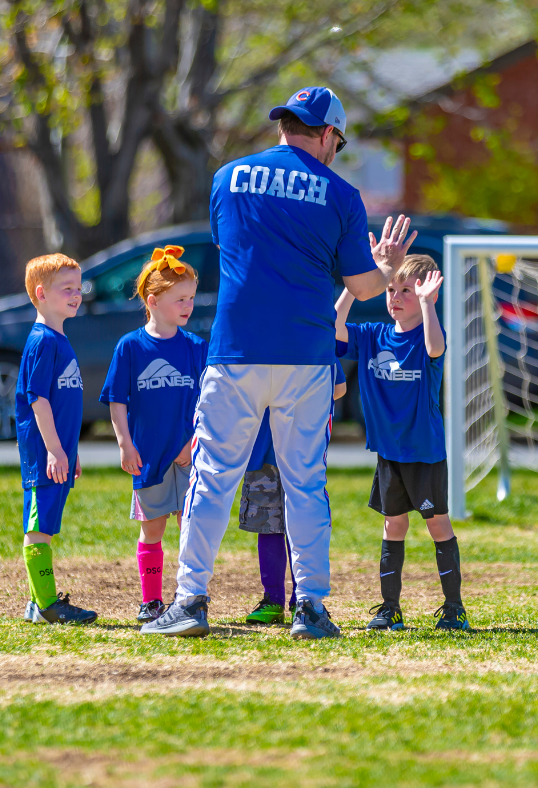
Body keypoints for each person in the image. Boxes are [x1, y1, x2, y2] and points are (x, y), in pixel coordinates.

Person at [141, 86, 415, 639]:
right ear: (329, 135)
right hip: (307, 358)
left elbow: (234, 247)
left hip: (236, 351)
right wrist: (386, 267)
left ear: (285, 124)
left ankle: (191, 601)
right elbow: (363, 288)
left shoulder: (228, 177)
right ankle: (310, 607)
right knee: (305, 482)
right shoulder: (341, 193)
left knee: (213, 477)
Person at [335, 254, 471, 631]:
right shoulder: (373, 335)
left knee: (437, 525)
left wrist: (427, 305)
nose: (394, 297)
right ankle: (389, 608)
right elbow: (332, 326)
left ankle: (454, 608)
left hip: (423, 452)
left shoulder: (426, 337)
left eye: (405, 291)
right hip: (389, 453)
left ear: (426, 294)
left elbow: (435, 348)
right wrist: (357, 286)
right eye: (391, 290)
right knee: (393, 527)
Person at [99, 246, 208, 623]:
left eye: (191, 298)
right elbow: (117, 400)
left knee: (190, 528)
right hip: (148, 456)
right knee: (152, 530)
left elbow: (207, 404)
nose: (188, 305)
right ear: (153, 300)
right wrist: (125, 444)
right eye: (180, 299)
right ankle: (151, 601)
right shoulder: (130, 346)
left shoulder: (195, 347)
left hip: (189, 455)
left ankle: (186, 598)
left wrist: (192, 443)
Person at [17, 254, 98, 625]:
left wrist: (70, 450)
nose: (76, 294)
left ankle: (38, 603)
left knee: (46, 523)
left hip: (58, 451)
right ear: (41, 293)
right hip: (43, 454)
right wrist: (52, 448)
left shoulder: (58, 338)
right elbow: (38, 399)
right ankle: (48, 605)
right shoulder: (42, 341)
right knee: (39, 526)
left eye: (78, 288)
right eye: (67, 288)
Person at [240, 362, 347, 625]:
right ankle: (272, 599)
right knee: (268, 527)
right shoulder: (257, 344)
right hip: (262, 452)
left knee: (299, 526)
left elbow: (339, 387)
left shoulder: (311, 338)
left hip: (301, 453)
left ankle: (303, 599)